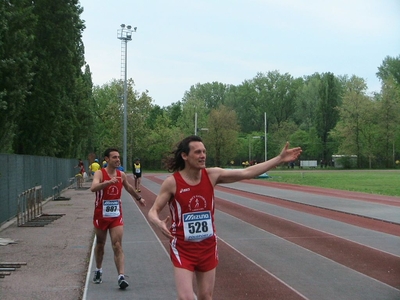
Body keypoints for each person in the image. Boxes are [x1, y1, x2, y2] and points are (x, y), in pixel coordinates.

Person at [148, 135, 302, 300]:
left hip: (207, 246)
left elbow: (247, 172)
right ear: (185, 156)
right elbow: (153, 211)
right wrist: (158, 222)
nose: (203, 156)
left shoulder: (212, 175)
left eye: (204, 152)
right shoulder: (173, 183)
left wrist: (279, 159)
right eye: (198, 152)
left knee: (206, 296)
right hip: (183, 248)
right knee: (186, 297)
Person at [90, 148, 146, 289]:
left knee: (117, 244)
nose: (117, 159)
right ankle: (98, 270)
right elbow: (93, 187)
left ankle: (121, 276)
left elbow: (128, 187)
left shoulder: (121, 175)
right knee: (101, 244)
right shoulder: (100, 173)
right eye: (114, 157)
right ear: (107, 159)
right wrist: (107, 183)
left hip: (115, 215)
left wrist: (139, 198)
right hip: (101, 214)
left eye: (118, 157)